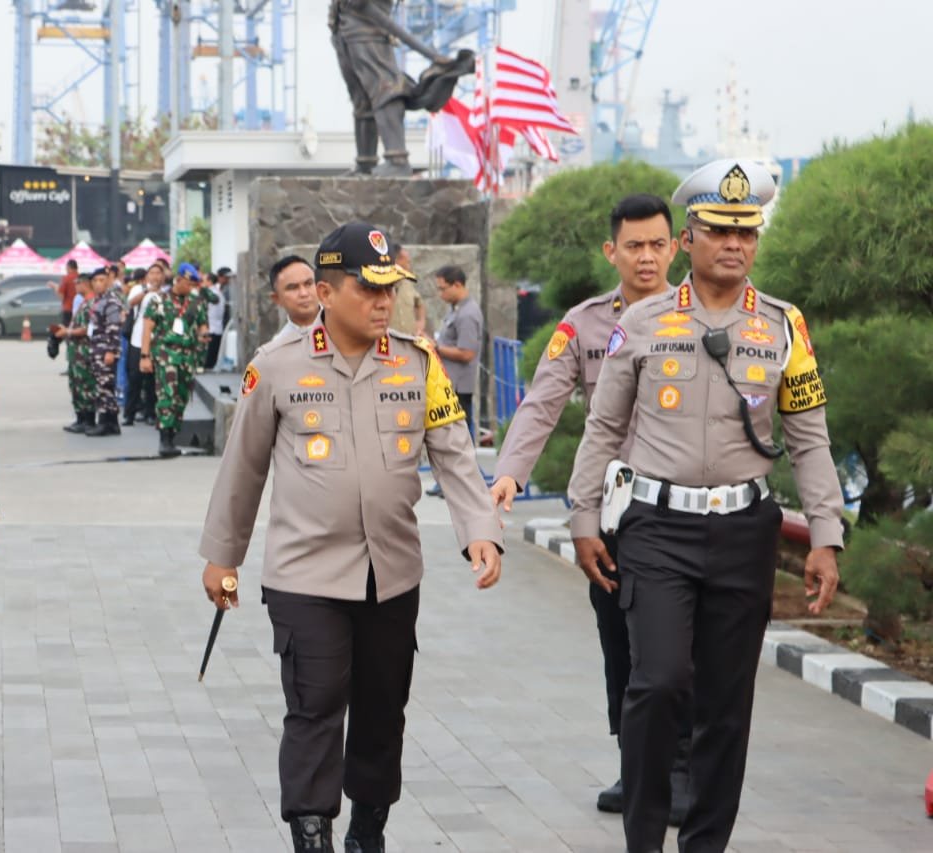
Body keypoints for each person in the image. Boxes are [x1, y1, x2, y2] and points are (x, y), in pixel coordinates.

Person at [199, 222, 503, 853]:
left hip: (392, 574)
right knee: (314, 705)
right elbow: (243, 470)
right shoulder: (277, 368)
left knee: (381, 708)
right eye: (369, 289)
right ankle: (312, 833)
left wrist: (480, 530)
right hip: (304, 575)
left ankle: (369, 827)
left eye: (390, 289)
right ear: (328, 293)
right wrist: (222, 558)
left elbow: (453, 450)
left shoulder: (419, 364)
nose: (383, 301)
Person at [568, 160, 844, 853]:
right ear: (687, 237)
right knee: (657, 682)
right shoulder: (642, 321)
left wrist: (826, 535)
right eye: (719, 229)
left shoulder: (785, 327)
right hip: (656, 527)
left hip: (744, 530)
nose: (734, 243)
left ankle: (705, 844)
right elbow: (603, 428)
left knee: (726, 704)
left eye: (746, 231)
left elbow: (809, 441)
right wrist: (582, 516)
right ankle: (643, 838)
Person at [489, 193, 688, 819]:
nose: (647, 257)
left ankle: (679, 768)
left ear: (677, 247)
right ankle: (636, 765)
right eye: (634, 246)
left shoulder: (705, 316)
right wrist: (510, 475)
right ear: (612, 252)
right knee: (620, 643)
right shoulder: (582, 325)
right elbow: (542, 402)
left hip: (685, 510)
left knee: (677, 649)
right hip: (614, 514)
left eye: (658, 244)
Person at [424, 264, 484, 498]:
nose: (441, 294)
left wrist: (436, 347)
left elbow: (467, 353)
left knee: (458, 439)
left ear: (457, 285)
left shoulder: (468, 314)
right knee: (447, 438)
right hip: (450, 383)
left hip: (460, 384)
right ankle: (447, 483)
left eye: (443, 288)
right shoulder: (456, 309)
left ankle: (463, 485)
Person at [140, 262, 210, 457]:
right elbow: (147, 328)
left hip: (187, 357)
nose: (191, 288)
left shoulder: (196, 303)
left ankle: (172, 436)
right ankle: (164, 440)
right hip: (165, 356)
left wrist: (204, 335)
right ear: (178, 280)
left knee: (181, 397)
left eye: (193, 285)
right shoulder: (159, 301)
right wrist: (145, 356)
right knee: (167, 396)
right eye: (188, 284)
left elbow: (203, 325)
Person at [85, 265, 124, 436]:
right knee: (103, 385)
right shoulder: (98, 301)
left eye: (102, 280)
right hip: (96, 349)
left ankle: (104, 422)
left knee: (105, 386)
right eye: (95, 281)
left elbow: (114, 328)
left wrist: (111, 351)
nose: (98, 284)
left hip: (105, 349)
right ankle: (112, 422)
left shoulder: (111, 301)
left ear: (108, 281)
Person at [123, 262, 164, 425]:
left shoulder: (166, 294)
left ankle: (150, 413)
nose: (155, 276)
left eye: (158, 273)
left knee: (152, 381)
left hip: (156, 341)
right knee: (134, 379)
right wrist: (148, 290)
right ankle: (130, 414)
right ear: (147, 276)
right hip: (137, 339)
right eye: (152, 273)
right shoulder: (140, 290)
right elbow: (130, 303)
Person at [60, 271, 97, 433]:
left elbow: (87, 329)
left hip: (84, 351)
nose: (75, 286)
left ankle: (88, 419)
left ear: (85, 284)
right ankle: (80, 418)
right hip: (76, 352)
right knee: (76, 386)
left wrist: (68, 333)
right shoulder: (83, 302)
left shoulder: (91, 303)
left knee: (86, 386)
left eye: (77, 283)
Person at [269, 254, 320, 338]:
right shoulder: (280, 346)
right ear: (277, 299)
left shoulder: (344, 324)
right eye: (293, 288)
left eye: (308, 283)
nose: (304, 293)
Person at [389, 244, 426, 336]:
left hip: (408, 339)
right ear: (397, 261)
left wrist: (421, 321)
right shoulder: (380, 285)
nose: (409, 266)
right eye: (407, 262)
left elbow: (420, 304)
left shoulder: (407, 283)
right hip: (388, 341)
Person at [204, 268, 228, 369]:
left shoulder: (210, 294)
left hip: (211, 330)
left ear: (209, 281)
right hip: (216, 329)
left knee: (208, 362)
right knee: (211, 360)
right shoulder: (219, 293)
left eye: (204, 280)